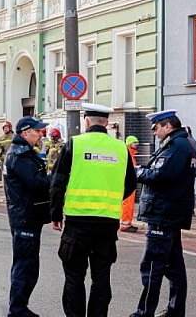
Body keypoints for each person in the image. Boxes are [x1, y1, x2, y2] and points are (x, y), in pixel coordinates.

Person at [50, 103, 136, 317]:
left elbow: (57, 182)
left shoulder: (74, 144)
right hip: (107, 224)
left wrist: (55, 213)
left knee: (74, 277)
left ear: (86, 121)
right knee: (101, 278)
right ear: (106, 123)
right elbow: (131, 184)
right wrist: (112, 199)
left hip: (77, 222)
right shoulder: (120, 148)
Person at [130, 110, 196, 317]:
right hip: (171, 212)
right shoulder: (187, 142)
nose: (154, 132)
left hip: (163, 213)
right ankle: (175, 311)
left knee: (152, 266)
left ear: (167, 126)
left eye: (156, 128)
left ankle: (144, 313)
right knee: (174, 267)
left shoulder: (176, 145)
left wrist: (137, 172)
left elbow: (160, 174)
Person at [2, 116, 51, 317]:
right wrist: (55, 177)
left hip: (27, 215)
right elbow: (36, 183)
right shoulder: (20, 155)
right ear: (25, 133)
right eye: (37, 131)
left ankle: (20, 307)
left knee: (28, 264)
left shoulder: (24, 153)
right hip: (25, 217)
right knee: (25, 265)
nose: (40, 134)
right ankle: (17, 309)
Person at [120, 136, 140, 233]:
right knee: (127, 204)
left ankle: (127, 223)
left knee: (129, 204)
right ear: (129, 143)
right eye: (134, 142)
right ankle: (125, 224)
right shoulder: (129, 154)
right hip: (127, 183)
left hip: (128, 182)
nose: (137, 144)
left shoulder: (130, 154)